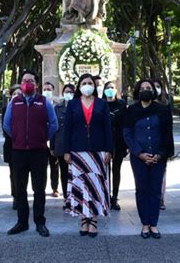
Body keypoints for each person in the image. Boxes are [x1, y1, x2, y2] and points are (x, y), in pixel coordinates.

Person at [3, 70, 58, 237]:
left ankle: (40, 222)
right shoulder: (15, 102)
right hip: (18, 152)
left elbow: (54, 124)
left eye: (31, 80)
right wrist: (19, 138)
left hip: (39, 152)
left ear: (36, 84)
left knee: (39, 189)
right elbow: (7, 125)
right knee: (20, 189)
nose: (27, 83)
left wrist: (41, 138)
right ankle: (22, 222)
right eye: (25, 80)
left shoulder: (44, 102)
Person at [63, 73, 113, 237]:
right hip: (78, 151)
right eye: (84, 82)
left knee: (95, 185)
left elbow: (107, 129)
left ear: (94, 85)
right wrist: (66, 150)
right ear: (79, 86)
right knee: (81, 185)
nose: (87, 85)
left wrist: (109, 150)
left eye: (90, 82)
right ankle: (84, 217)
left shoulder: (102, 104)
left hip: (98, 152)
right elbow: (67, 129)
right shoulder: (72, 104)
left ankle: (94, 219)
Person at [123, 79, 174, 239]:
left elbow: (167, 134)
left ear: (154, 91)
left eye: (149, 88)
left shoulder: (162, 110)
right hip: (139, 158)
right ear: (138, 91)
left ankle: (154, 223)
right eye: (143, 88)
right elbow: (127, 134)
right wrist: (139, 153)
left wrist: (160, 154)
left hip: (158, 157)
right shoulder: (131, 110)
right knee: (142, 190)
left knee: (155, 191)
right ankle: (145, 223)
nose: (146, 90)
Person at [102, 80, 127, 210]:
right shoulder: (101, 105)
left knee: (116, 170)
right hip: (104, 142)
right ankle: (105, 195)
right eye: (108, 88)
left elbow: (125, 124)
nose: (110, 90)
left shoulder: (122, 105)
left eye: (112, 87)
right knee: (105, 171)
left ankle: (114, 197)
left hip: (119, 142)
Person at [50, 83, 75, 209]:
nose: (68, 94)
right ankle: (67, 199)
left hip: (76, 146)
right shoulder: (57, 108)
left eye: (71, 91)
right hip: (61, 144)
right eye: (66, 91)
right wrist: (52, 146)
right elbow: (54, 127)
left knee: (75, 174)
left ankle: (76, 198)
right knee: (64, 173)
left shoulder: (78, 106)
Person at [2, 84, 22, 209]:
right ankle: (15, 196)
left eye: (19, 94)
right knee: (13, 173)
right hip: (11, 144)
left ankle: (22, 195)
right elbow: (5, 127)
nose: (16, 96)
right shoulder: (7, 108)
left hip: (24, 145)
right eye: (14, 94)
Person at [151, 78, 170, 210]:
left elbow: (167, 130)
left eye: (158, 86)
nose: (156, 89)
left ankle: (160, 198)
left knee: (161, 173)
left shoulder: (165, 106)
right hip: (146, 145)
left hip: (161, 146)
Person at [43, 81, 60, 198]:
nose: (47, 92)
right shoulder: (38, 104)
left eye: (49, 89)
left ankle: (55, 188)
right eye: (45, 89)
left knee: (55, 166)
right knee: (41, 167)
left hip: (54, 139)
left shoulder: (57, 106)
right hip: (41, 140)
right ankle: (40, 188)